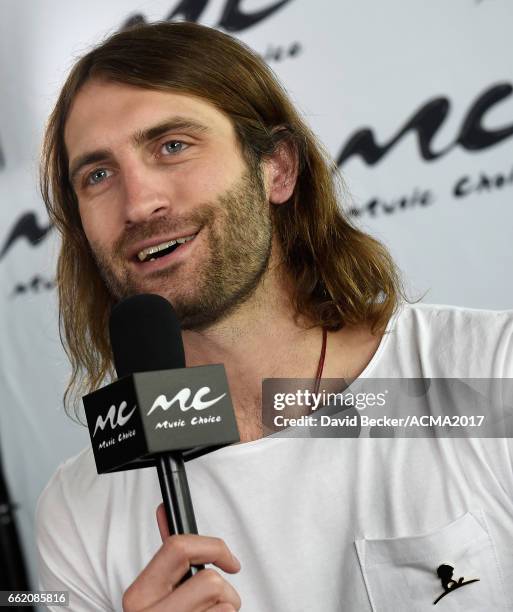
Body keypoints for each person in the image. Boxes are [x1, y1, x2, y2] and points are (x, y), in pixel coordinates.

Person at [36, 21, 513, 612]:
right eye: (98, 174)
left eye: (173, 146)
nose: (139, 202)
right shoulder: (76, 511)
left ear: (277, 170)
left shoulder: (491, 375)